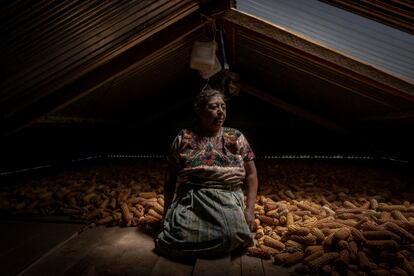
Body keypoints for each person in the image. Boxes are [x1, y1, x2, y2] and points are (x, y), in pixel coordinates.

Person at [155, 88, 258, 258]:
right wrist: (166, 210)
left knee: (231, 236)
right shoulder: (184, 138)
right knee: (175, 237)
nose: (220, 112)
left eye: (223, 107)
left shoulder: (235, 137)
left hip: (227, 195)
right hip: (193, 196)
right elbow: (170, 176)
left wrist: (250, 210)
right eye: (213, 107)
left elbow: (252, 174)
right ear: (199, 110)